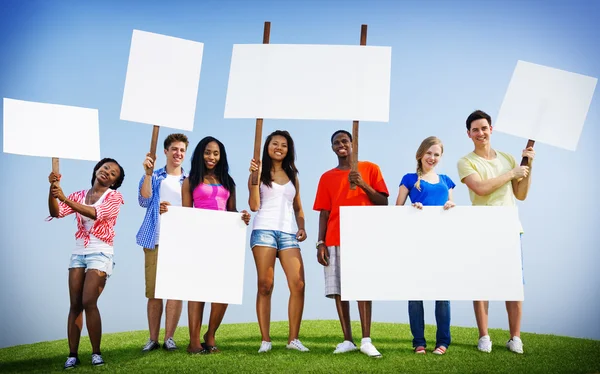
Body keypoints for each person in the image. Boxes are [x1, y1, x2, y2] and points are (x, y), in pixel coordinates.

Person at [457, 110, 534, 354]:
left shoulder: (509, 158)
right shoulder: (466, 161)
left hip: (510, 227)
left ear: (492, 129)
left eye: (484, 128)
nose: (481, 133)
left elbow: (520, 194)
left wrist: (527, 163)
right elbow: (480, 189)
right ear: (469, 134)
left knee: (513, 285)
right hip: (481, 227)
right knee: (481, 284)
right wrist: (512, 173)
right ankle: (484, 337)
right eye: (475, 130)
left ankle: (515, 338)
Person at [313, 129, 389, 358]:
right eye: (336, 142)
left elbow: (383, 201)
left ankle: (366, 339)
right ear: (332, 148)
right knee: (338, 290)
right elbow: (324, 213)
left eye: (345, 140)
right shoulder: (326, 177)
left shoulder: (370, 168)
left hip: (362, 236)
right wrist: (320, 243)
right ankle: (348, 339)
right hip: (334, 237)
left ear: (353, 143)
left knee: (362, 286)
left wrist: (363, 184)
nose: (341, 145)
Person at [48, 158, 125, 369]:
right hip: (78, 252)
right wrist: (53, 189)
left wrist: (63, 197)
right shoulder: (79, 195)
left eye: (113, 174)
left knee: (89, 301)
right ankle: (72, 355)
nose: (107, 172)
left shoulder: (114, 197)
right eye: (106, 168)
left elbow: (94, 213)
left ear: (114, 182)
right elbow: (57, 212)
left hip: (100, 252)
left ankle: (96, 353)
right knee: (74, 304)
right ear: (97, 169)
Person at [181, 136, 251, 354]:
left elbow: (232, 211)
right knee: (198, 290)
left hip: (224, 240)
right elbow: (186, 212)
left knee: (223, 290)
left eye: (216, 153)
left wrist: (242, 216)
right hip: (199, 239)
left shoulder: (228, 181)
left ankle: (210, 335)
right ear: (200, 154)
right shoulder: (190, 180)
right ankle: (194, 342)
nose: (211, 157)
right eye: (208, 152)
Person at [248, 130, 309, 353]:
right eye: (275, 144)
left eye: (284, 145)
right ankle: (265, 340)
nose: (279, 148)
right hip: (264, 229)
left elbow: (298, 207)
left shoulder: (293, 176)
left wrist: (301, 226)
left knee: (298, 284)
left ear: (288, 150)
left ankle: (293, 339)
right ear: (267, 146)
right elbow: (254, 206)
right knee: (265, 285)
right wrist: (254, 179)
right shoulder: (258, 172)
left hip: (288, 233)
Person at [395, 136, 455, 355]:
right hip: (415, 243)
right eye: (429, 153)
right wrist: (412, 208)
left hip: (441, 243)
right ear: (420, 154)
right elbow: (397, 210)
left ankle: (443, 342)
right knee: (416, 293)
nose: (432, 157)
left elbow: (451, 208)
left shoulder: (447, 180)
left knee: (442, 294)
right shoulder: (409, 179)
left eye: (437, 154)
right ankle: (419, 342)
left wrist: (450, 205)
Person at [136, 133, 189, 352]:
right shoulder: (155, 176)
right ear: (166, 151)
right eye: (174, 149)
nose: (178, 154)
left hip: (181, 239)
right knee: (154, 291)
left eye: (182, 150)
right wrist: (147, 175)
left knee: (175, 290)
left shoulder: (190, 180)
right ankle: (153, 338)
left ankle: (169, 338)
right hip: (156, 237)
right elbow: (144, 200)